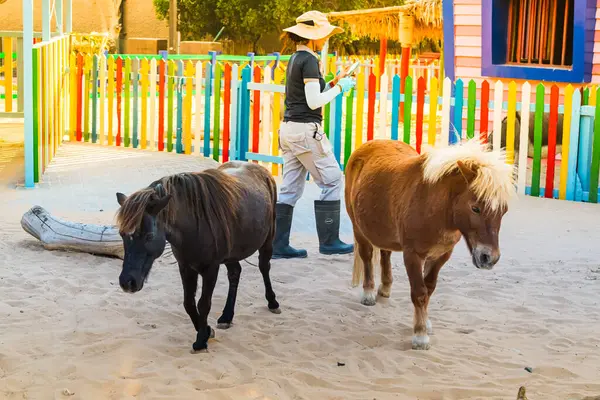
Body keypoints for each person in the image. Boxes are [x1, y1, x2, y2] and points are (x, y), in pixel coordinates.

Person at [273, 11, 356, 259]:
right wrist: (340, 89)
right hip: (306, 130)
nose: (326, 40)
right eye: (324, 36)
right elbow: (312, 102)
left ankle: (278, 246)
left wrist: (332, 83)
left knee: (289, 188)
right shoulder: (309, 60)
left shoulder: (295, 58)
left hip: (288, 129)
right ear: (315, 37)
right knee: (332, 180)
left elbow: (306, 95)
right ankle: (329, 242)